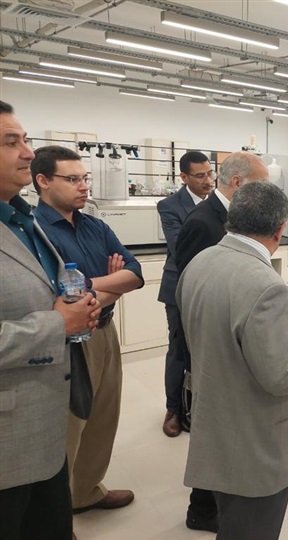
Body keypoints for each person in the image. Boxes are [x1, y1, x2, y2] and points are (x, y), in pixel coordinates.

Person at [177, 181, 288, 539]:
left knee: (232, 524)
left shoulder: (200, 262)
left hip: (217, 422)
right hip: (256, 446)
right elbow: (285, 376)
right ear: (280, 228)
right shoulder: (267, 286)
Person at [0, 101, 99, 540]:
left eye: (25, 140)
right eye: (11, 142)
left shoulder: (22, 220)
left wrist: (76, 310)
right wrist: (59, 325)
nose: (27, 152)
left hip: (45, 431)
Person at [32, 146, 144, 515]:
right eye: (73, 179)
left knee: (103, 417)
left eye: (85, 178)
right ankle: (58, 514)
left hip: (105, 331)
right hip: (71, 341)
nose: (83, 186)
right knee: (71, 424)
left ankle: (86, 491)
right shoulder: (35, 232)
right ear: (43, 181)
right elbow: (57, 297)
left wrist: (88, 287)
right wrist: (112, 283)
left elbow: (135, 273)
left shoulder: (95, 225)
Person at [174, 151, 269, 533]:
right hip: (211, 341)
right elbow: (195, 284)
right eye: (261, 183)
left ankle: (209, 502)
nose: (266, 190)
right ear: (238, 183)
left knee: (222, 425)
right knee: (212, 425)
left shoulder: (233, 218)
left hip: (231, 334)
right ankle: (202, 508)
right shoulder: (203, 221)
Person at [157, 151, 214, 437]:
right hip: (179, 285)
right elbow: (180, 246)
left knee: (209, 348)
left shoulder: (219, 203)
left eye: (210, 173)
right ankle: (173, 409)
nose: (208, 180)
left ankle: (200, 405)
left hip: (213, 285)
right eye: (200, 175)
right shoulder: (169, 206)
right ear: (184, 177)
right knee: (179, 347)